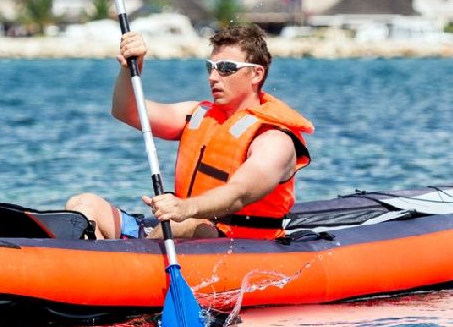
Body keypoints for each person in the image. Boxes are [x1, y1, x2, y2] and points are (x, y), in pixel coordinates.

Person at [66, 22, 313, 241]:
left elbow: (239, 193)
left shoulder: (275, 139)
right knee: (82, 205)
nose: (214, 77)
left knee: (184, 225)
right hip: (176, 226)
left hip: (237, 240)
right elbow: (127, 111)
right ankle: (99, 264)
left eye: (226, 68)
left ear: (256, 74)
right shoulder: (197, 114)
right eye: (211, 67)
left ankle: (128, 262)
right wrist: (130, 70)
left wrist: (185, 209)